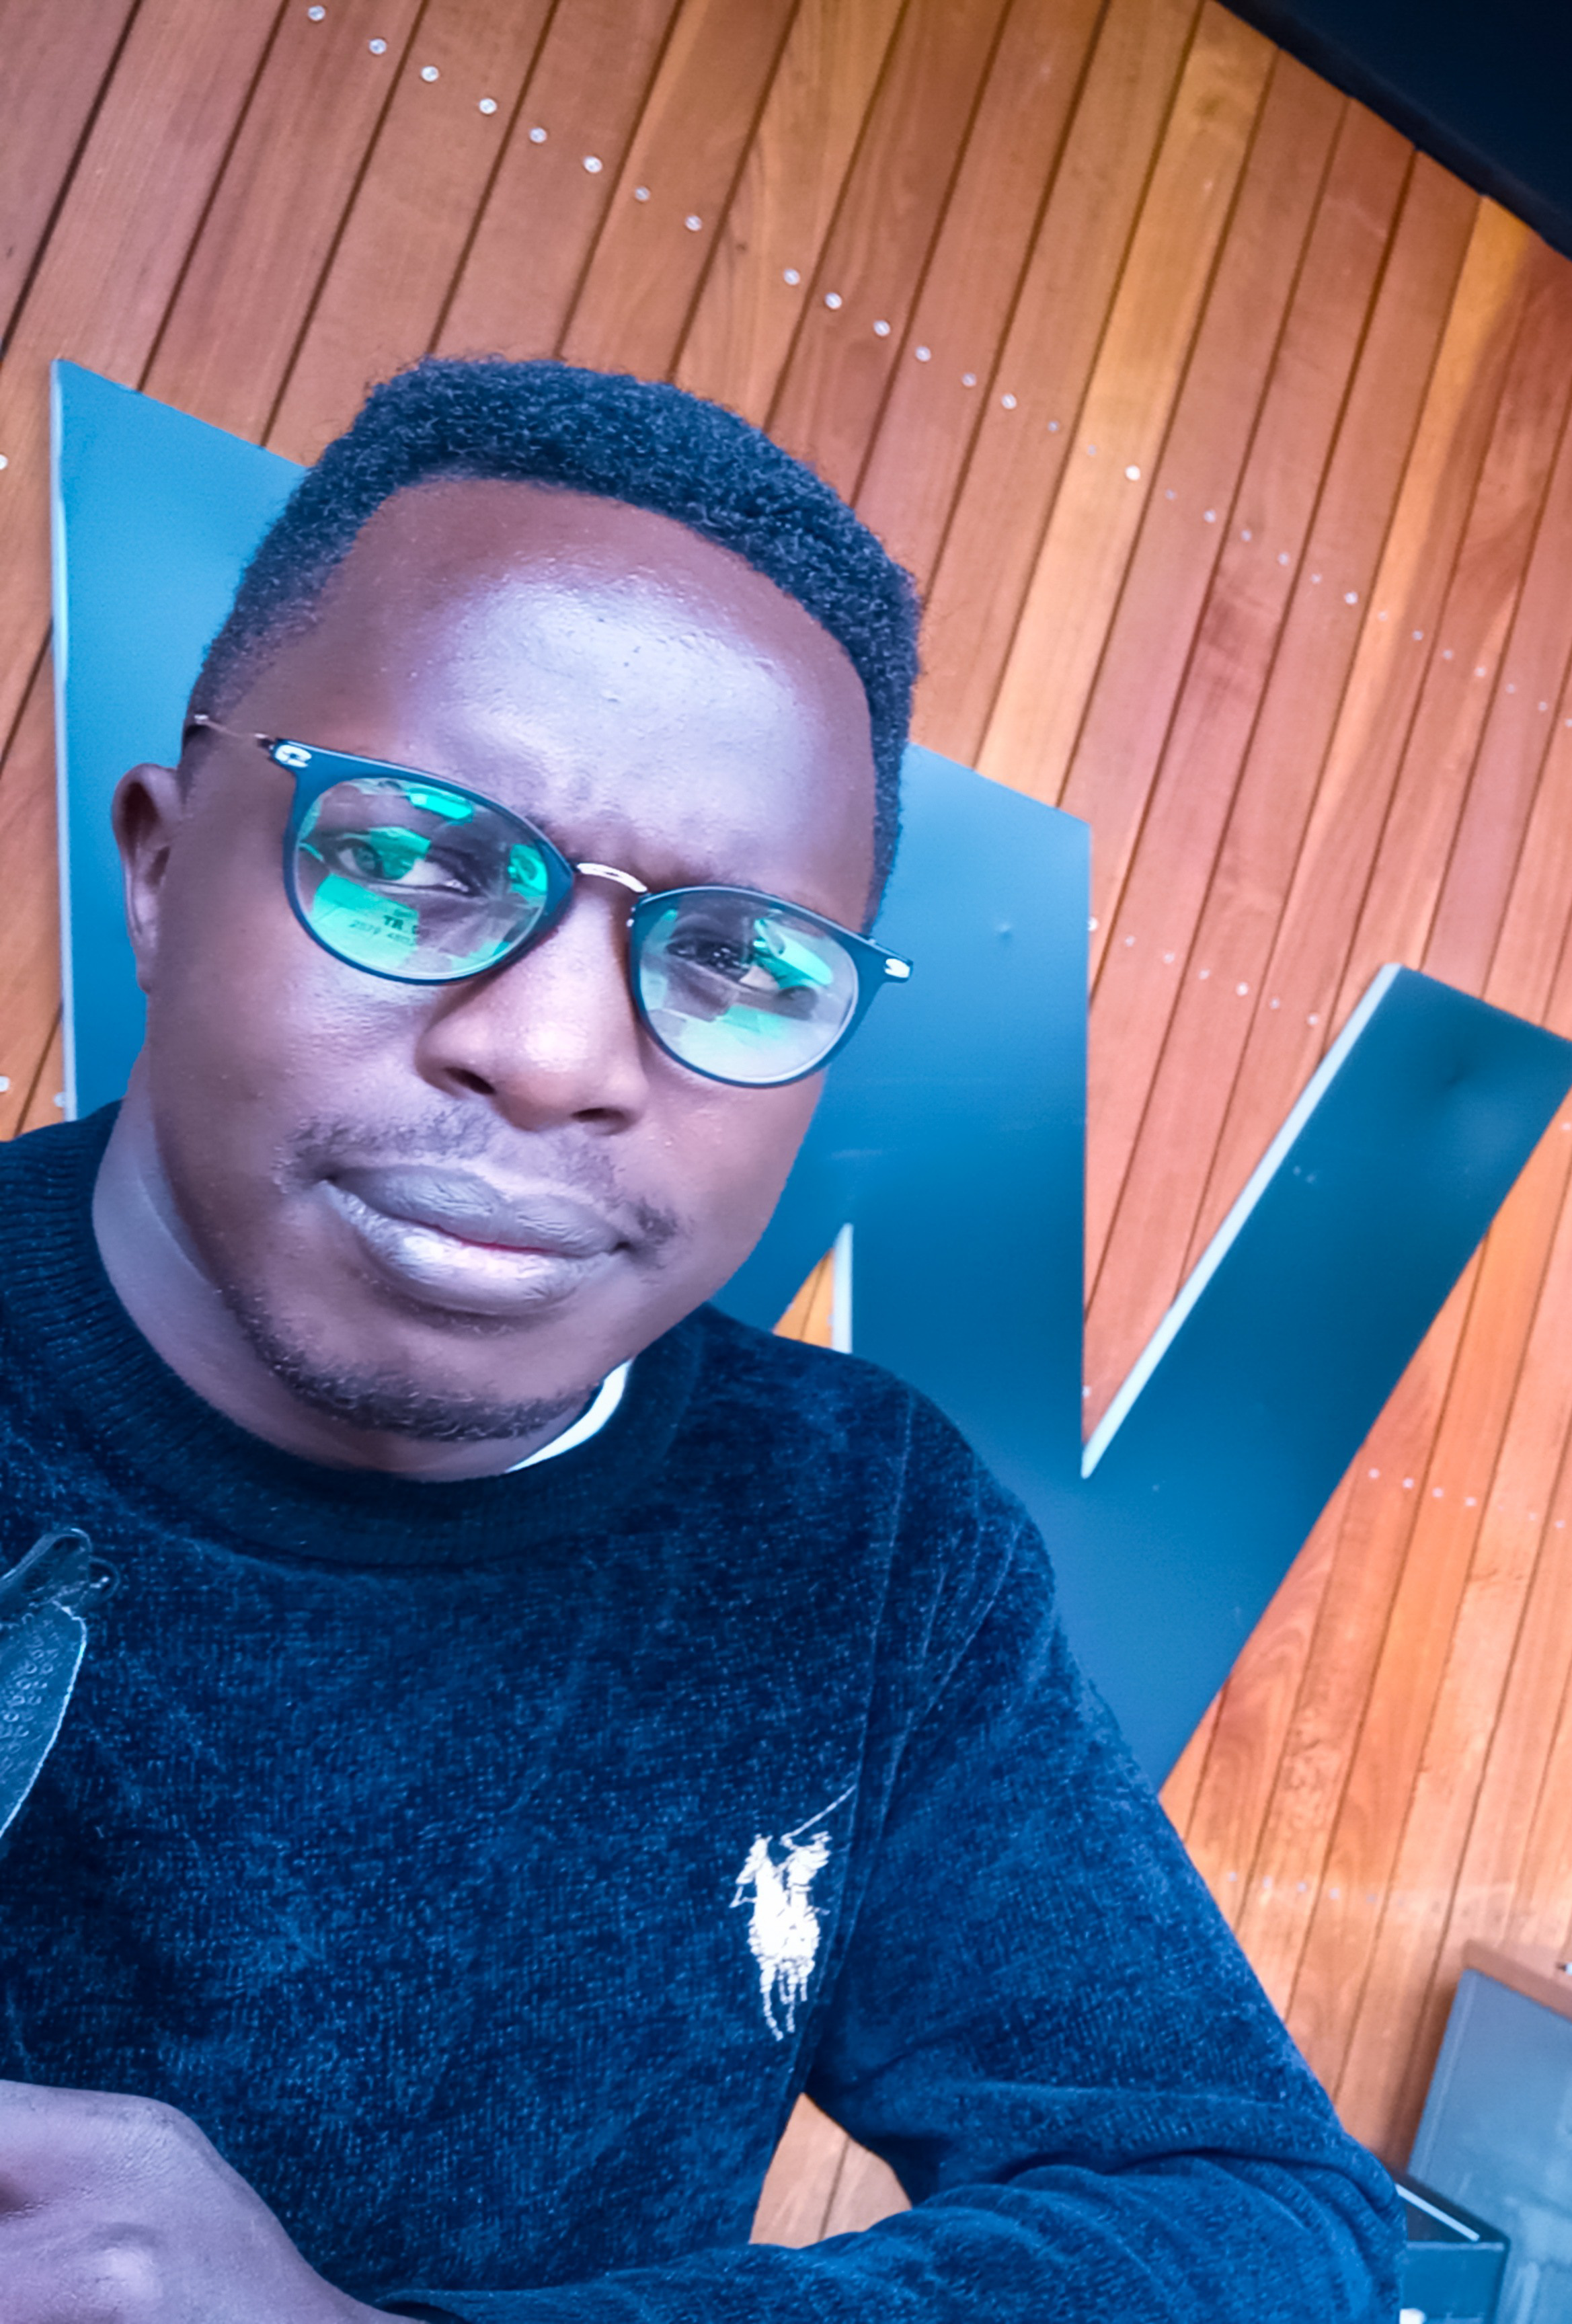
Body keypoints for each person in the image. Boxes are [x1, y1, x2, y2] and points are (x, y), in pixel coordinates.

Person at [0, 359, 1398, 2319]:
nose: (554, 1052)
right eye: (412, 861)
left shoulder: (858, 1537)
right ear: (162, 871)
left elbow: (1252, 2213)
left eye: (736, 961)